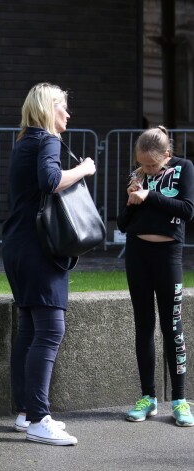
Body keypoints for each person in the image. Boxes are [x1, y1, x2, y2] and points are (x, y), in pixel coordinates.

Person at [2, 82, 96, 446]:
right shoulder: (46, 140)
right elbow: (52, 180)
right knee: (51, 329)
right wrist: (84, 169)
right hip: (40, 249)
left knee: (30, 328)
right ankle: (40, 419)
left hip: (19, 245)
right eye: (63, 108)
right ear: (46, 109)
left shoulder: (23, 142)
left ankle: (26, 413)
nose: (68, 115)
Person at [117, 126, 194, 426]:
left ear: (167, 155)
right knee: (143, 326)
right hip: (138, 254)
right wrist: (131, 198)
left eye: (152, 164)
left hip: (168, 256)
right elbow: (124, 224)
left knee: (172, 326)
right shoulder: (139, 177)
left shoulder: (184, 168)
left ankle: (180, 399)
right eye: (142, 164)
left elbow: (187, 210)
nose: (147, 169)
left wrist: (150, 196)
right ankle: (148, 397)